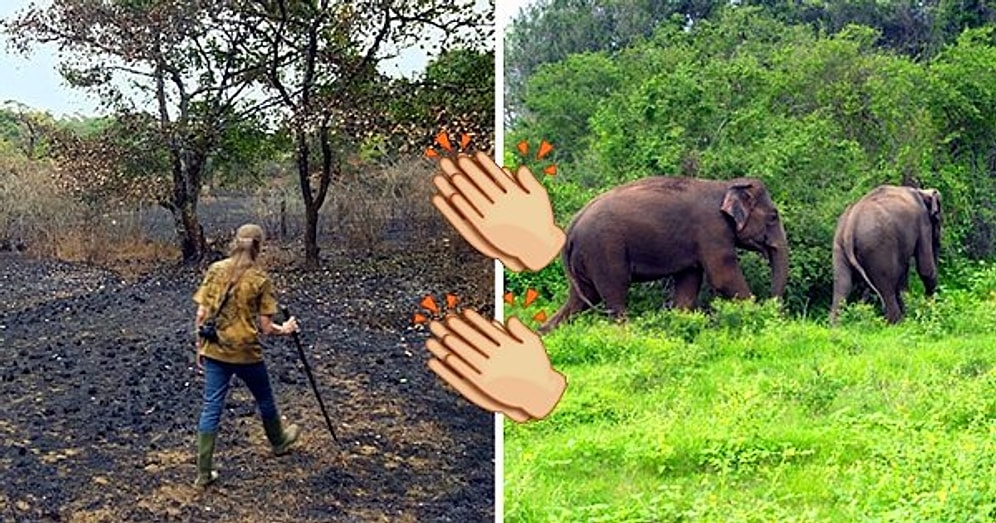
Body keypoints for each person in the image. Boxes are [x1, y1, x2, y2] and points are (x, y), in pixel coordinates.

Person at [191, 223, 302, 488]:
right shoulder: (260, 279)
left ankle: (204, 472)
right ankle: (278, 441)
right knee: (264, 397)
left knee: (211, 406)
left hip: (215, 349)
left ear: (235, 242)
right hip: (246, 353)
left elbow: (201, 314)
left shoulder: (216, 270)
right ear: (259, 246)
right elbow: (265, 327)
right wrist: (285, 329)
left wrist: (199, 346)